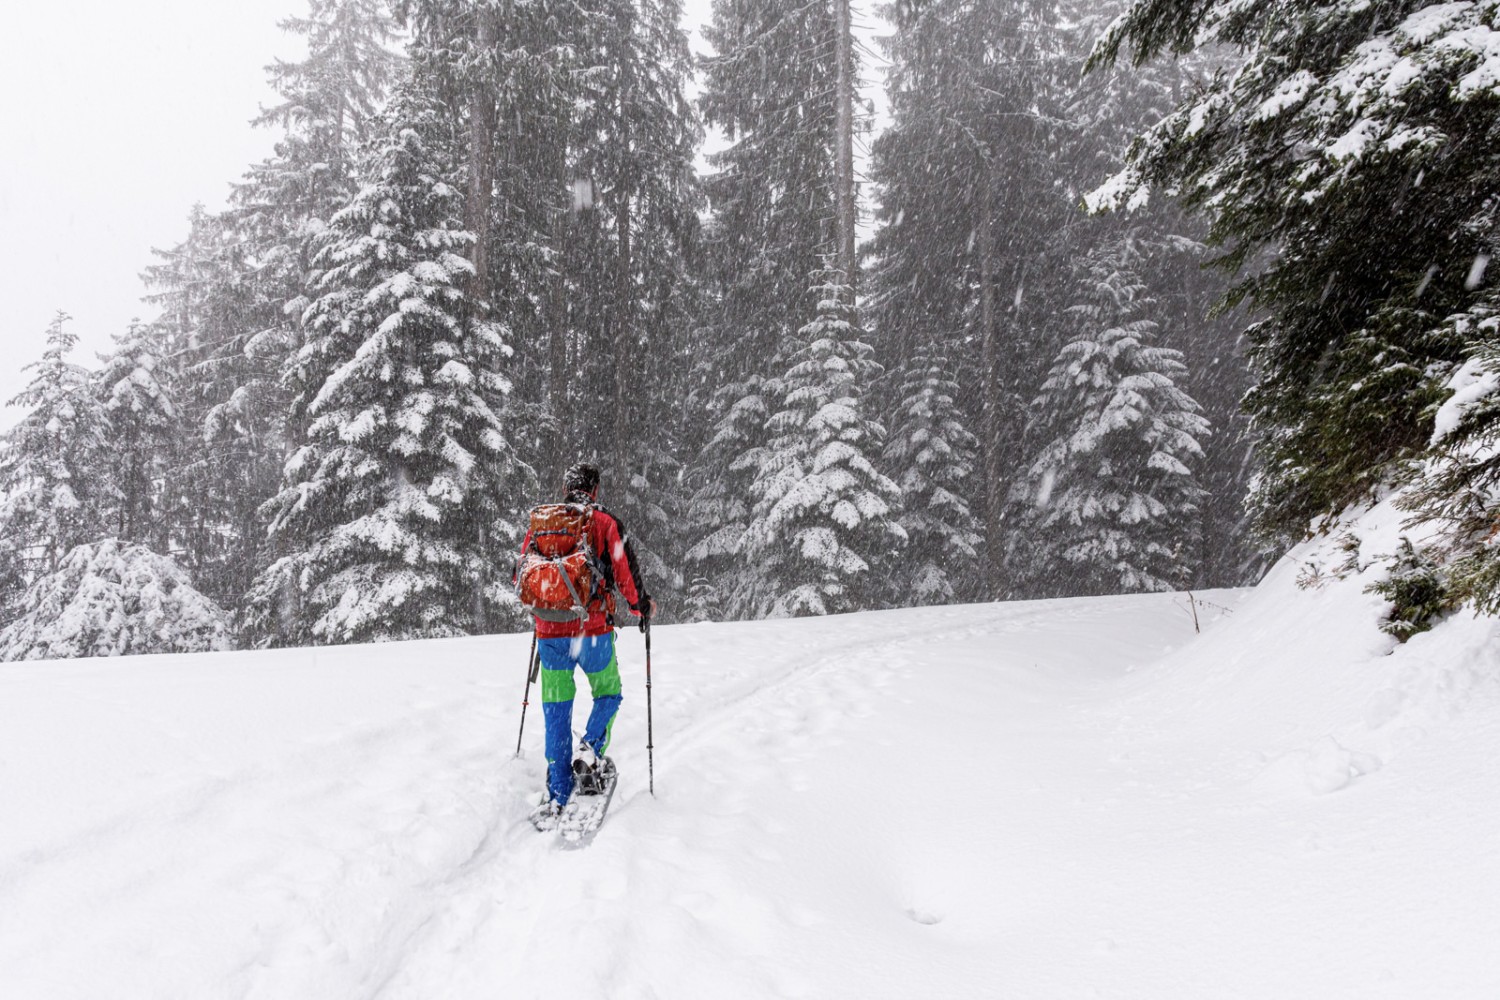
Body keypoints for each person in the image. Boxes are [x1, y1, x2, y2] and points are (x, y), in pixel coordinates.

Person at [521, 462, 654, 813]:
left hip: (550, 632)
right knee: (609, 693)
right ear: (594, 489)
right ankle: (590, 748)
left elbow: (525, 572)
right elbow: (625, 573)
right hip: (592, 630)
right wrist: (641, 607)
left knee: (556, 707)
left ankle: (559, 785)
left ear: (567, 487)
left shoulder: (544, 524)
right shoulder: (605, 522)